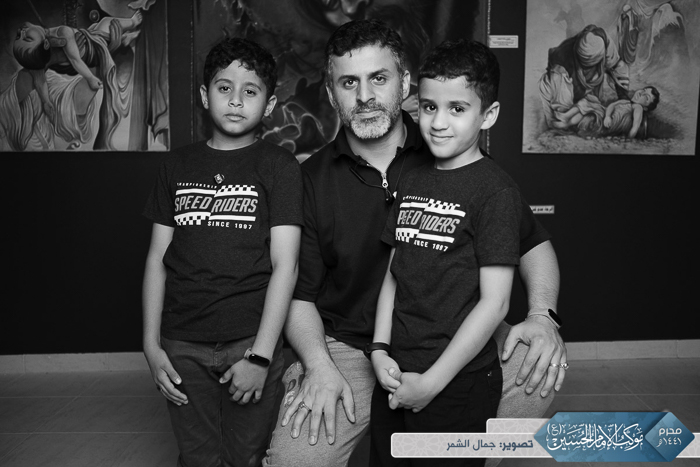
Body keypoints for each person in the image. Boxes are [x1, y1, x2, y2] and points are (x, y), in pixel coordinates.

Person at [264, 20, 565, 467]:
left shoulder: (452, 151)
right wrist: (319, 366)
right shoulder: (309, 180)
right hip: (349, 347)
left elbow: (532, 244)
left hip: (450, 331)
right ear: (331, 93)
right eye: (349, 82)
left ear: (404, 83)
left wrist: (542, 315)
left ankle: (463, 452)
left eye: (378, 78)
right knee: (293, 463)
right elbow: (297, 293)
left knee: (540, 363)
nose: (364, 96)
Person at [142, 37, 303, 467]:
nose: (235, 100)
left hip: (250, 340)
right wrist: (150, 344)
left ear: (269, 105)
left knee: (246, 456)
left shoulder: (279, 167)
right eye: (224, 88)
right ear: (204, 95)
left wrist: (261, 356)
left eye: (250, 91)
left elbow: (286, 265)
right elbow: (157, 259)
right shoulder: (176, 165)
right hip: (181, 341)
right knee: (197, 456)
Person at [369, 38, 524, 467]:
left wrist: (432, 383)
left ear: (488, 115)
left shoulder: (495, 192)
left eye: (457, 108)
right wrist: (379, 348)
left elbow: (496, 303)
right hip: (397, 371)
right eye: (428, 107)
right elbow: (394, 274)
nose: (438, 122)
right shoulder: (412, 179)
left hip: (458, 384)